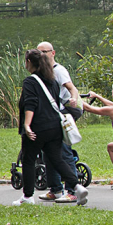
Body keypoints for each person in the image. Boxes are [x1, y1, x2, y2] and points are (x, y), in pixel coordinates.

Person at [14, 49, 88, 206]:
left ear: (28, 62)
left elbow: (30, 104)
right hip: (54, 127)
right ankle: (77, 187)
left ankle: (27, 197)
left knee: (28, 160)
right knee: (57, 159)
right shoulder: (52, 81)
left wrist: (27, 125)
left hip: (37, 127)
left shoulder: (30, 82)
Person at [36, 41, 83, 202]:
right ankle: (55, 189)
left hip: (62, 114)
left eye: (44, 52)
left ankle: (72, 191)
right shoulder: (42, 72)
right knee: (48, 152)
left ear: (53, 53)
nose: (41, 55)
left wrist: (74, 99)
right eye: (38, 52)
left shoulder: (59, 71)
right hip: (49, 116)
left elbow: (72, 88)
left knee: (64, 151)